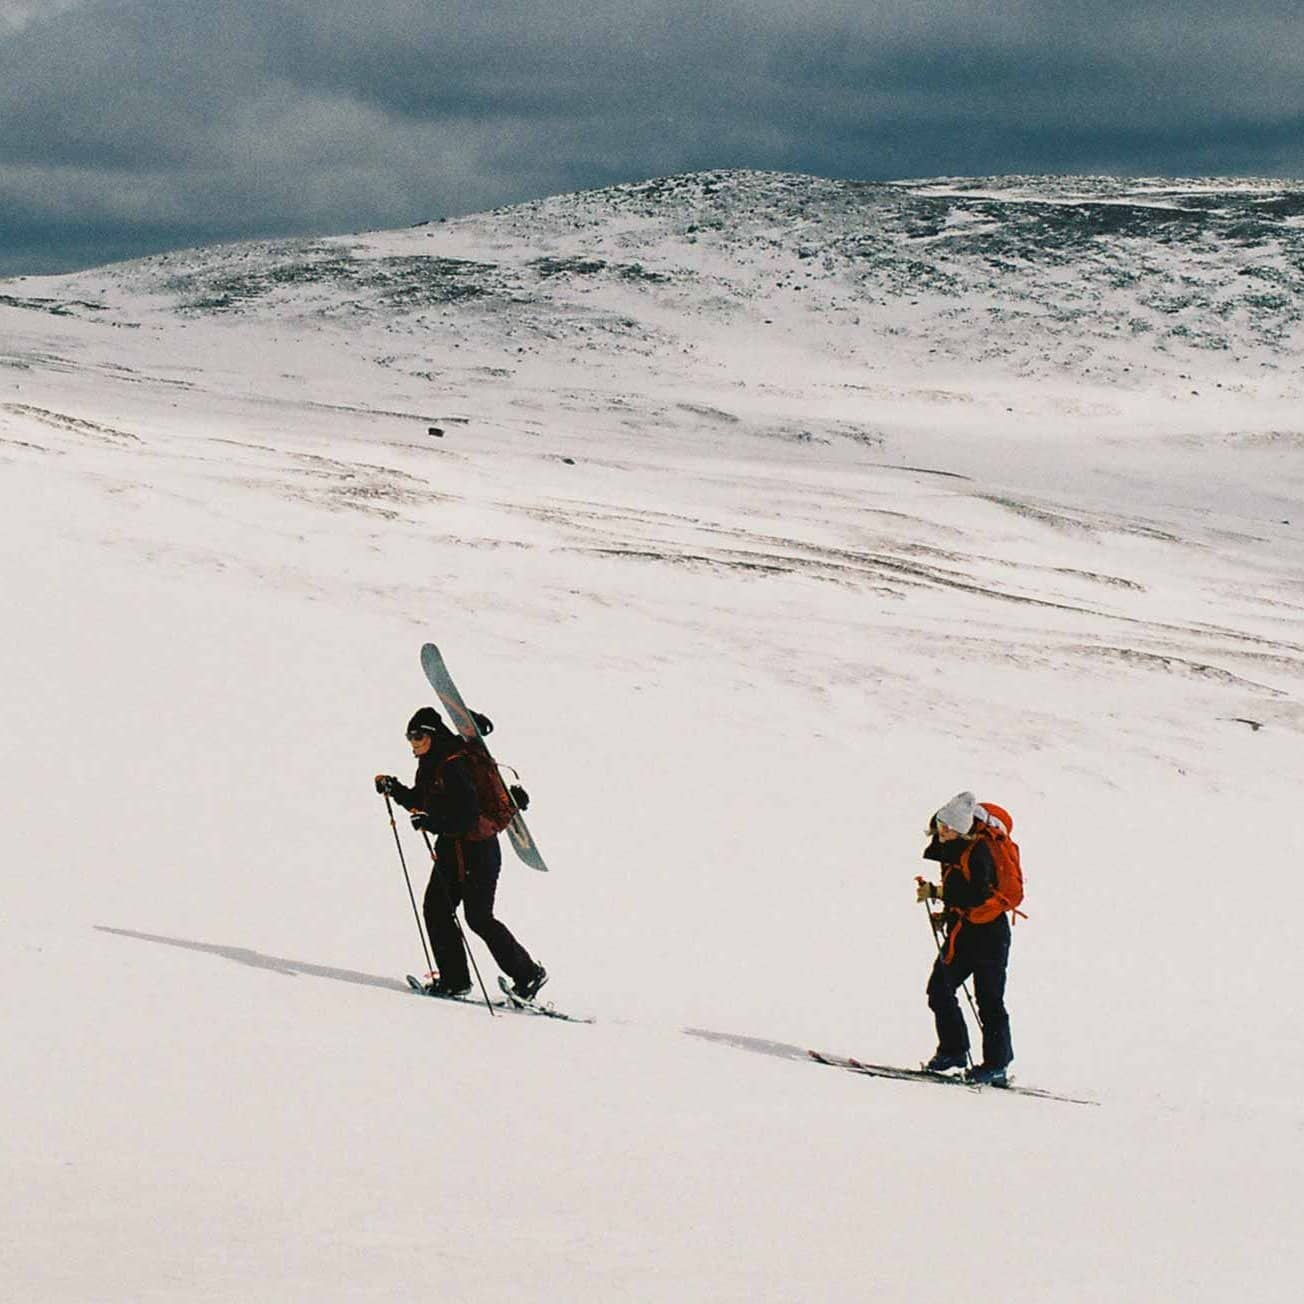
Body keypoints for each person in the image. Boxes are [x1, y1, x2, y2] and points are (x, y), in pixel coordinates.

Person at [375, 706, 547, 1001]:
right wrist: (396, 789)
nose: (413, 744)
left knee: (479, 917)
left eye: (417, 737)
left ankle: (528, 975)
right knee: (437, 909)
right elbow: (422, 798)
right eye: (409, 737)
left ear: (431, 735)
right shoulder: (432, 762)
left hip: (477, 850)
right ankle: (455, 980)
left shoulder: (454, 765)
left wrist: (430, 822)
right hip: (452, 847)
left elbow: (466, 818)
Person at [915, 791, 1013, 1085]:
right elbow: (963, 891)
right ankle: (953, 1051)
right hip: (965, 930)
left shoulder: (978, 851)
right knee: (940, 989)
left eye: (951, 827)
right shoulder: (951, 849)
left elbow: (978, 893)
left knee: (989, 1000)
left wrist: (938, 893)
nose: (944, 831)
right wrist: (947, 913)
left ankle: (996, 1065)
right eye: (943, 824)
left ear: (963, 830)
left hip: (990, 934)